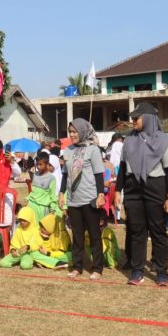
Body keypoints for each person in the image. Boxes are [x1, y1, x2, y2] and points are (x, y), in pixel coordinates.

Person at [114, 102, 168, 286]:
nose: (133, 121)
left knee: (158, 231)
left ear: (148, 118)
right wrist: (118, 190)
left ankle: (162, 272)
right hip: (133, 189)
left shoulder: (164, 140)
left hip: (156, 187)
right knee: (136, 231)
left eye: (137, 118)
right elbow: (123, 168)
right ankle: (137, 270)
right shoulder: (129, 140)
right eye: (133, 118)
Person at [61, 119, 106, 280]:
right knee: (77, 236)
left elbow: (98, 174)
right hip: (73, 200)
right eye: (70, 132)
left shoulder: (93, 150)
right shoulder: (67, 150)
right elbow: (65, 174)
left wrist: (101, 194)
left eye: (75, 131)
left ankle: (97, 268)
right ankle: (77, 267)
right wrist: (61, 193)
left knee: (94, 235)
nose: (72, 134)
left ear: (82, 131)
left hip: (90, 199)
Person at [0, 207, 64, 270]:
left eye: (24, 220)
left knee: (25, 265)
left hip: (31, 253)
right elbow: (14, 243)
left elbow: (38, 244)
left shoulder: (36, 229)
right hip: (19, 252)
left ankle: (57, 263)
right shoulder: (18, 229)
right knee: (2, 263)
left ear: (30, 219)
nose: (21, 222)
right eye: (20, 220)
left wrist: (27, 247)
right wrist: (13, 250)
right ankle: (24, 261)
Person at [27, 152, 61, 222]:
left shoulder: (51, 178)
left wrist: (52, 210)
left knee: (40, 229)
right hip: (31, 205)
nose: (38, 167)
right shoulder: (35, 174)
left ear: (47, 164)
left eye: (40, 164)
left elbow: (52, 195)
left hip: (42, 208)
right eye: (37, 164)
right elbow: (33, 191)